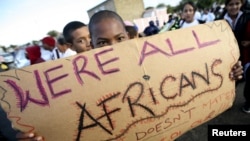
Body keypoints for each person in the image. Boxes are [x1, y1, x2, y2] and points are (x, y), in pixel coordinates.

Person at [88, 10, 243, 80]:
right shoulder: (85, 82)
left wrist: (225, 70)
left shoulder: (151, 59)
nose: (114, 47)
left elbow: (188, 72)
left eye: (120, 38)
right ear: (92, 45)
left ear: (128, 37)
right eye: (102, 42)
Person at [220, 0, 250, 113]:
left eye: (237, 3)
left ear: (241, 4)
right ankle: (227, 101)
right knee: (231, 79)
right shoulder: (220, 21)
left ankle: (248, 102)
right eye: (231, 4)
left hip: (246, 55)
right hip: (229, 57)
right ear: (226, 6)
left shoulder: (247, 17)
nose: (234, 7)